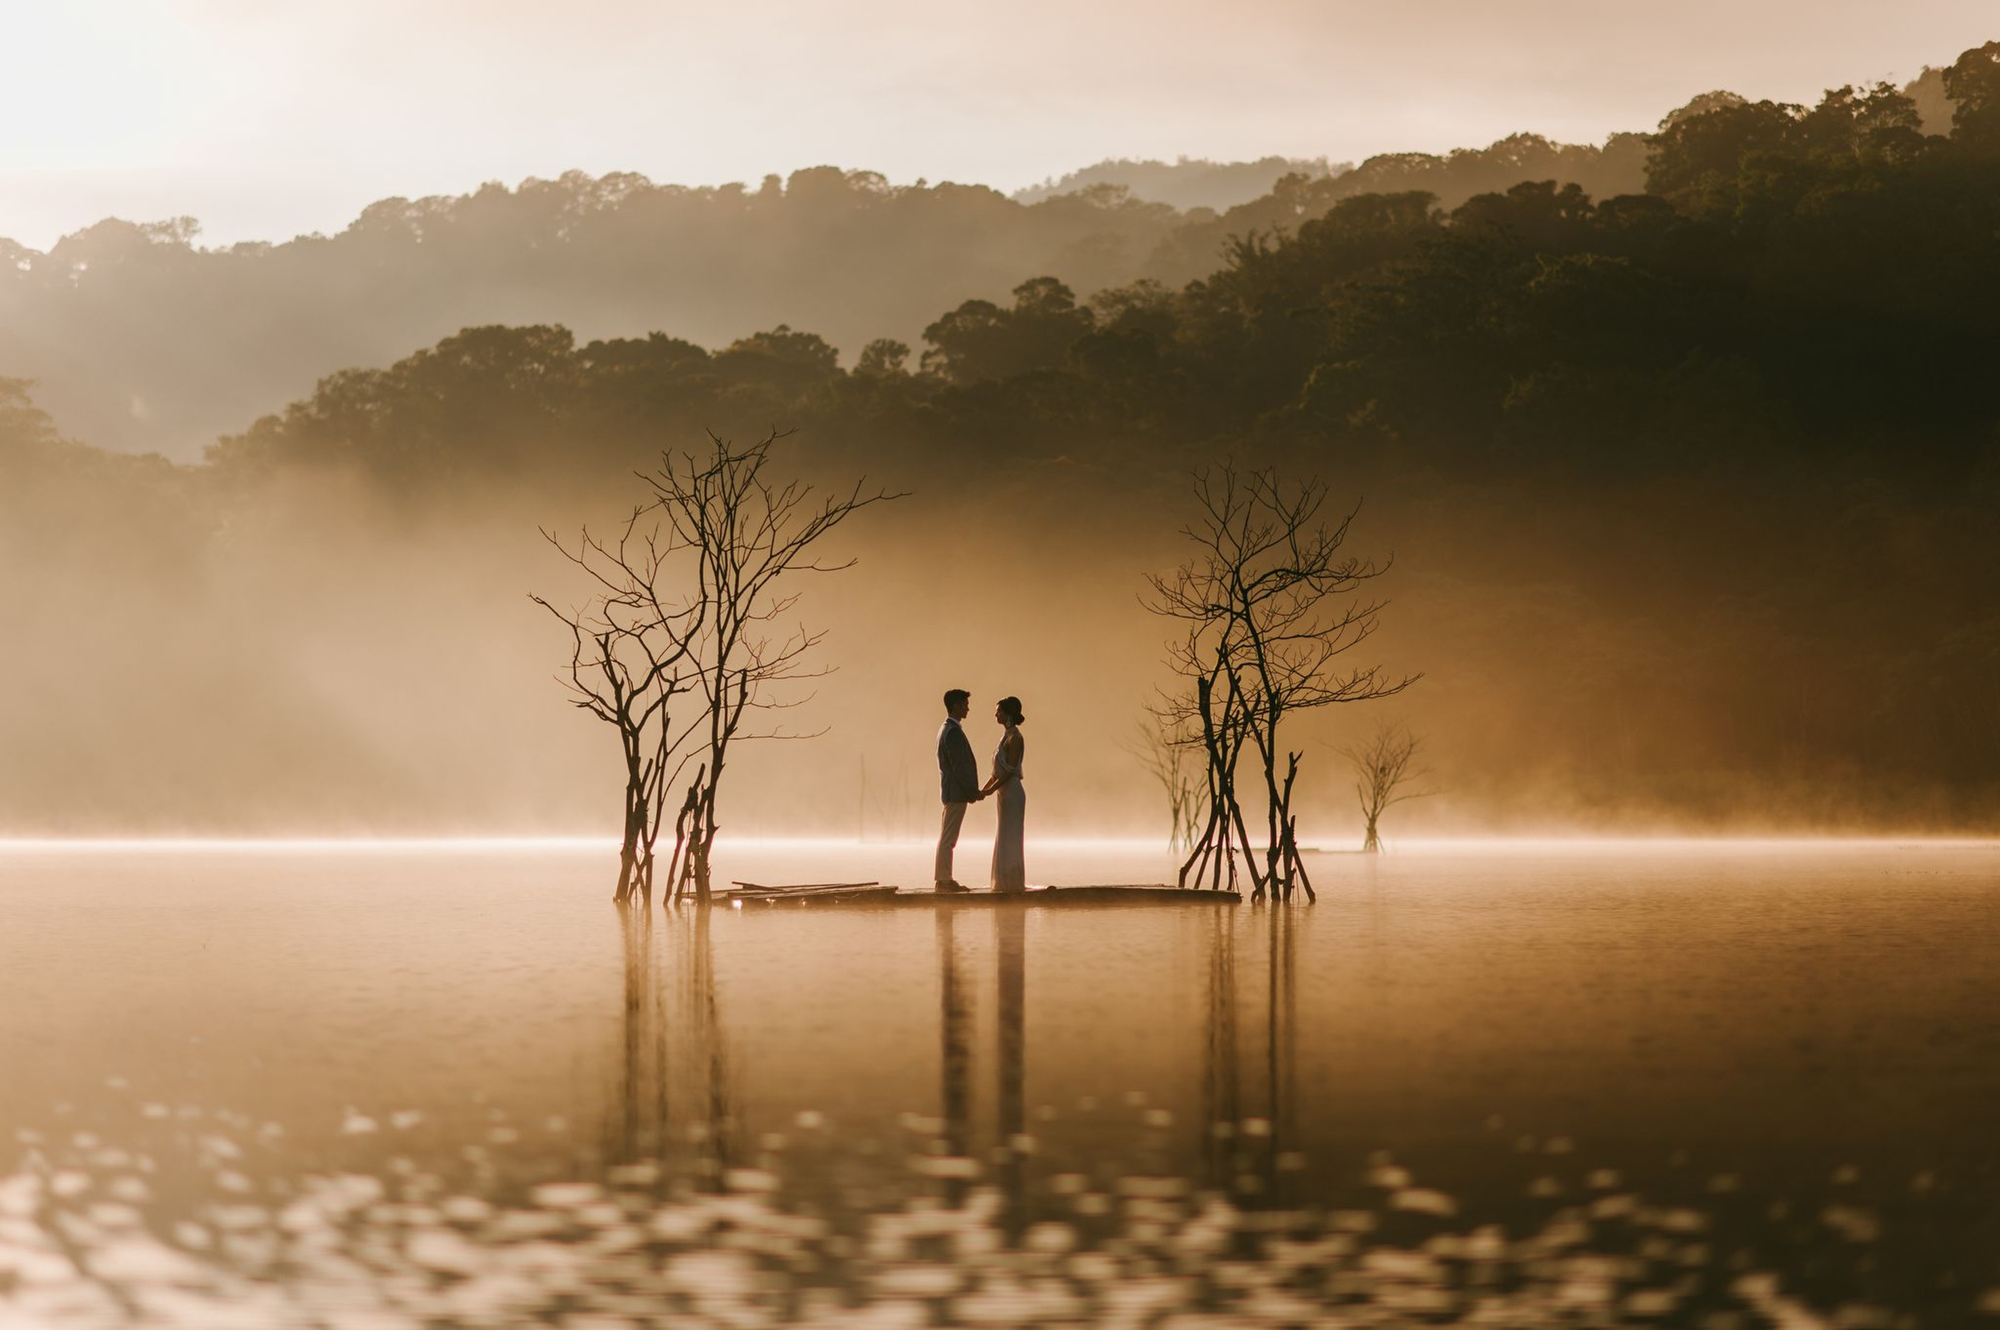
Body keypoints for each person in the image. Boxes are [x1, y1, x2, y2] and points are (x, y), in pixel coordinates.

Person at [934, 689, 983, 891]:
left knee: (947, 836)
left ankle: (943, 878)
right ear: (955, 705)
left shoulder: (946, 729)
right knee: (949, 838)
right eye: (964, 704)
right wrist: (972, 791)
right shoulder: (953, 732)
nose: (968, 708)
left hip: (951, 790)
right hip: (955, 791)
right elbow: (958, 766)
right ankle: (944, 881)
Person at [980, 696, 1027, 892]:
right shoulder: (1005, 736)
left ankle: (1012, 883)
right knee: (1003, 834)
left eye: (999, 711)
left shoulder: (1015, 737)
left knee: (1011, 837)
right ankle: (1003, 882)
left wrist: (990, 790)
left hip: (1012, 792)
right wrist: (984, 789)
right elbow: (997, 771)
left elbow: (1010, 770)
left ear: (1008, 714)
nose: (996, 714)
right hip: (1003, 792)